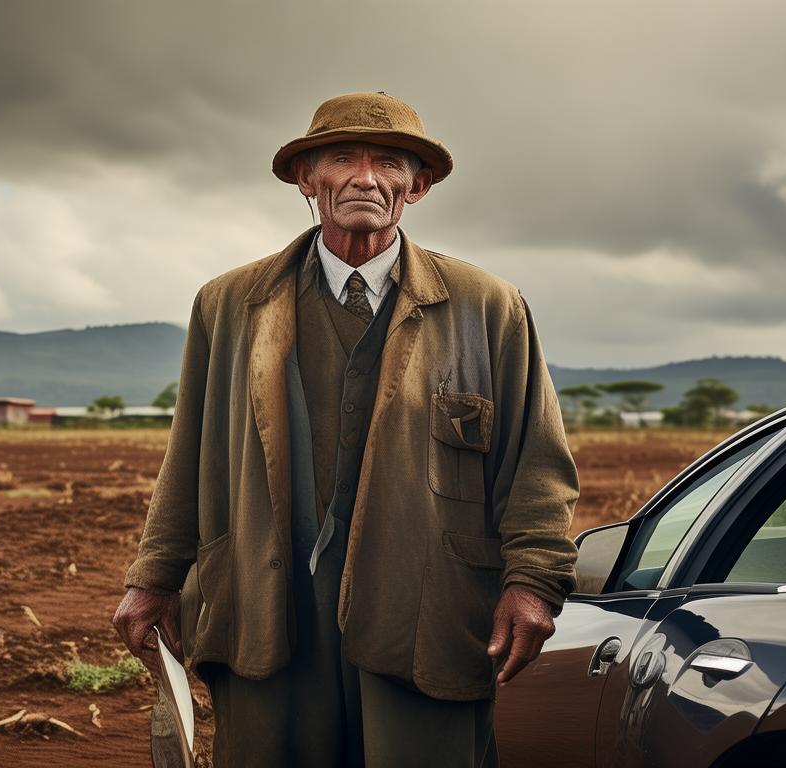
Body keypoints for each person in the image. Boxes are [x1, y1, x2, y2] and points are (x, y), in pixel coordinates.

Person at [113, 91, 579, 767]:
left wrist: (533, 580)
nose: (365, 176)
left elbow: (536, 463)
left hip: (427, 602)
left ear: (416, 186)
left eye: (389, 162)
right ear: (308, 178)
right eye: (342, 158)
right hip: (267, 600)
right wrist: (153, 575)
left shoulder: (487, 305)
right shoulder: (229, 304)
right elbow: (189, 454)